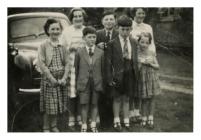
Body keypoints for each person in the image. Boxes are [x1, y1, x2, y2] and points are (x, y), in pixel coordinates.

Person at [105, 15, 138, 132]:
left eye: (128, 29)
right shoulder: (112, 43)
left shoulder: (133, 42)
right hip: (117, 75)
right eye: (122, 29)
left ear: (131, 29)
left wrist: (135, 74)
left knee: (127, 98)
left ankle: (126, 120)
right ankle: (116, 120)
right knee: (117, 98)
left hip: (129, 73)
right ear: (117, 28)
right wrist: (109, 78)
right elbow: (108, 63)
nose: (125, 32)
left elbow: (135, 58)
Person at [37, 18, 69, 132]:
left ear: (60, 30)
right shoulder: (43, 45)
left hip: (61, 79)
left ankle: (54, 126)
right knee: (49, 105)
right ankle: (46, 127)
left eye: (57, 29)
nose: (55, 31)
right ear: (47, 30)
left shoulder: (63, 45)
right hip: (49, 79)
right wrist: (51, 78)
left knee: (56, 105)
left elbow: (67, 63)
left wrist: (64, 78)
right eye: (52, 29)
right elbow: (42, 64)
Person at [61, 8, 87, 130]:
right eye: (75, 16)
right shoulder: (66, 31)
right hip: (71, 65)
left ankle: (81, 117)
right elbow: (61, 48)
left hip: (84, 66)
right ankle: (72, 117)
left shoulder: (86, 30)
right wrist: (70, 48)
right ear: (71, 18)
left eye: (80, 16)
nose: (77, 18)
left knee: (82, 92)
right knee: (72, 93)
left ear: (83, 17)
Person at [129, 8, 156, 121]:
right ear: (134, 14)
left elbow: (152, 44)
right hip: (132, 58)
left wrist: (152, 57)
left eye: (143, 13)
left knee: (140, 87)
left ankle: (137, 112)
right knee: (132, 87)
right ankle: (131, 112)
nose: (141, 15)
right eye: (139, 13)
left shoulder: (148, 27)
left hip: (145, 59)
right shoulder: (129, 25)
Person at [75, 26, 104, 132]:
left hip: (96, 82)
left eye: (94, 37)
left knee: (94, 103)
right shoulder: (79, 52)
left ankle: (93, 124)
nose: (92, 39)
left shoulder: (100, 52)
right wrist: (77, 84)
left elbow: (102, 69)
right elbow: (77, 69)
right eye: (89, 37)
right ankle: (83, 124)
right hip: (84, 82)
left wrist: (101, 83)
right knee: (84, 104)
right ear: (84, 38)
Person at [96, 10, 118, 128]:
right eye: (106, 19)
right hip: (101, 69)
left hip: (115, 69)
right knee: (102, 94)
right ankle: (103, 121)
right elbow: (89, 47)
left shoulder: (119, 33)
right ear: (102, 21)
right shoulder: (97, 33)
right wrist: (96, 46)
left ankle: (113, 119)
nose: (109, 22)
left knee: (113, 94)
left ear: (115, 21)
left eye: (111, 19)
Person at [136, 32, 160, 128]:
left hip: (152, 78)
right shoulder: (136, 52)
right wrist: (140, 62)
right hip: (142, 78)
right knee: (144, 99)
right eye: (142, 42)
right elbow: (136, 69)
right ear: (139, 42)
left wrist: (151, 64)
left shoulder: (151, 52)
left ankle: (151, 117)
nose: (144, 44)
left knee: (152, 99)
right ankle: (144, 117)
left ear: (149, 43)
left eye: (147, 42)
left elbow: (157, 66)